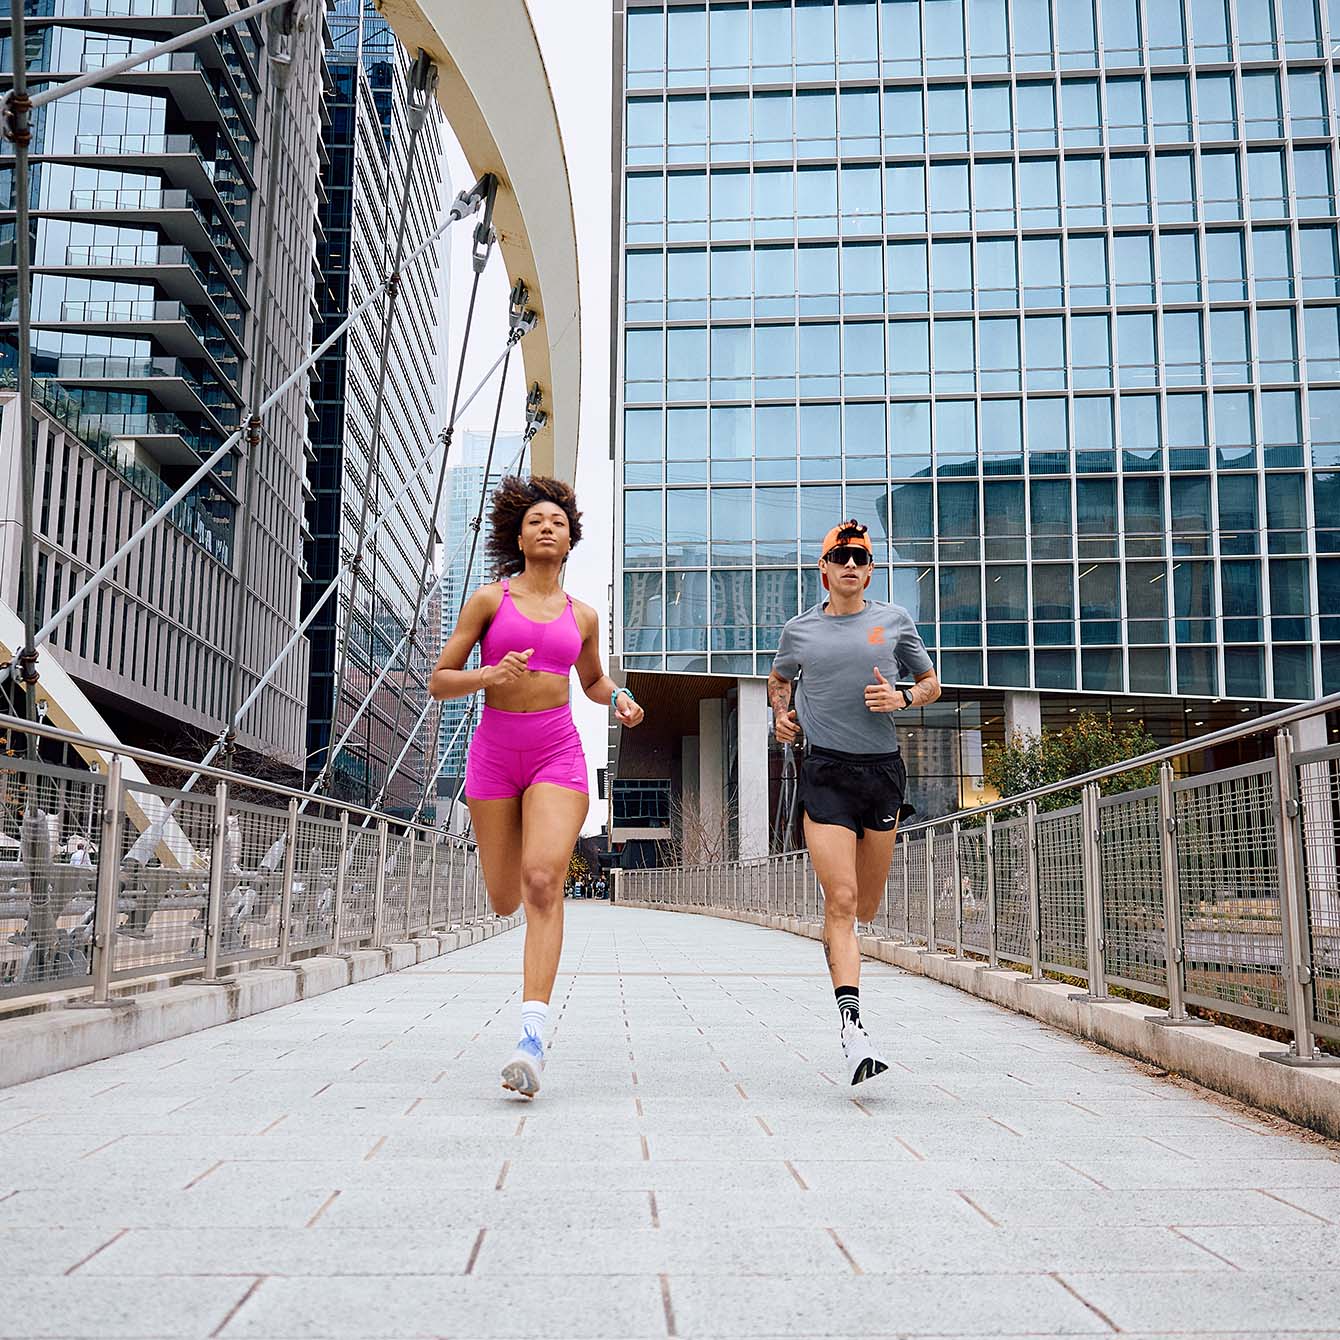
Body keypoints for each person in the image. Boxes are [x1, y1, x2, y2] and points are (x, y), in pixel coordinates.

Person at [430, 475, 644, 1097]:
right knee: (505, 899)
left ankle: (530, 1038)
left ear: (570, 539)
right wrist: (489, 675)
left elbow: (593, 681)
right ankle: (519, 849)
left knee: (544, 882)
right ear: (519, 539)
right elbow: (440, 680)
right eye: (535, 522)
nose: (547, 528)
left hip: (556, 752)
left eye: (558, 522)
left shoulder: (583, 615)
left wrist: (620, 698)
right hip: (495, 756)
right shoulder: (488, 601)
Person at [769, 520, 940, 1085]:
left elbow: (932, 683)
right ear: (824, 568)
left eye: (859, 558)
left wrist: (903, 697)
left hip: (882, 773)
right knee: (840, 900)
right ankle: (853, 1030)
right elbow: (779, 679)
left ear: (869, 571)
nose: (849, 564)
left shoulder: (893, 621)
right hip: (825, 772)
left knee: (866, 905)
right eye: (839, 556)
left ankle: (846, 951)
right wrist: (781, 716)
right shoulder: (799, 631)